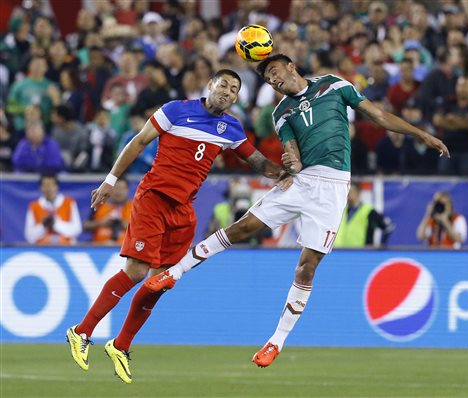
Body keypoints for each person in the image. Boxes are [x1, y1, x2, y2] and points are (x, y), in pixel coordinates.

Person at [145, 54, 450, 368]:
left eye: (275, 72)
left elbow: (378, 115)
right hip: (301, 182)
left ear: (291, 66)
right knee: (243, 227)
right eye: (268, 79)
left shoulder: (334, 85)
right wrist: (291, 162)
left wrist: (421, 134)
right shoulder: (281, 112)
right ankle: (174, 272)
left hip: (332, 188)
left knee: (306, 267)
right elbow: (292, 151)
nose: (274, 81)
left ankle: (275, 343)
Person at [66, 69, 291, 383]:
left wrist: (283, 171)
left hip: (183, 211)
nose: (228, 91)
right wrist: (110, 180)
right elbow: (139, 141)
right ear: (209, 85)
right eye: (223, 84)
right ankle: (81, 331)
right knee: (136, 271)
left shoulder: (231, 128)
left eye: (234, 89)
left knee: (162, 282)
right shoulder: (176, 110)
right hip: (154, 198)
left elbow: (257, 162)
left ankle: (121, 345)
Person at [24, 174, 82, 244]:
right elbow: (29, 236)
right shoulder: (34, 206)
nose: (48, 189)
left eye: (51, 185)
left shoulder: (69, 203)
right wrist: (43, 225)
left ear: (56, 187)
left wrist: (56, 223)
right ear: (40, 188)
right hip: (43, 248)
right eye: (45, 185)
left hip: (66, 247)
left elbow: (77, 230)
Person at [334, 183, 394, 248]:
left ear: (358, 194)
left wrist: (382, 244)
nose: (347, 195)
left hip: (362, 252)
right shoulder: (342, 210)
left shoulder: (368, 211)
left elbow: (388, 227)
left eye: (350, 192)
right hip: (341, 251)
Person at [83, 177, 132, 245]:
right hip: (100, 247)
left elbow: (142, 230)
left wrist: (124, 224)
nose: (118, 192)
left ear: (127, 190)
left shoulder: (134, 207)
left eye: (121, 188)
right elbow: (85, 226)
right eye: (116, 188)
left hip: (127, 247)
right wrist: (101, 222)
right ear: (109, 190)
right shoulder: (100, 205)